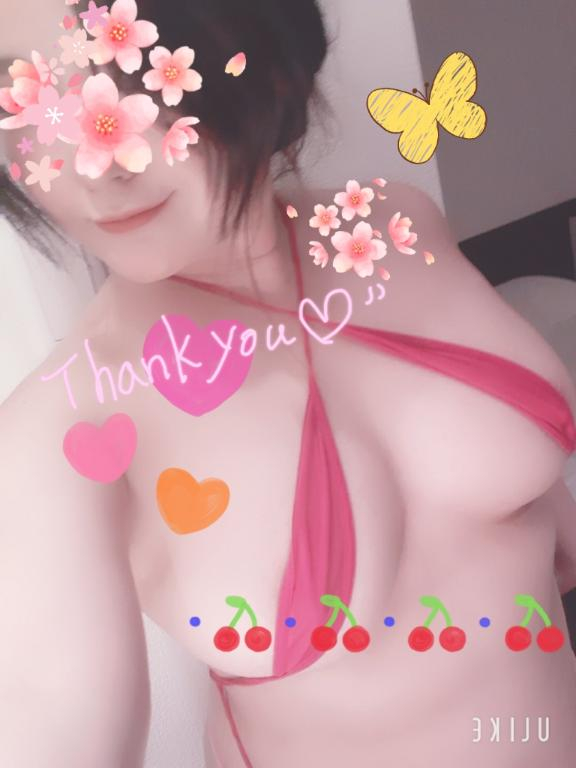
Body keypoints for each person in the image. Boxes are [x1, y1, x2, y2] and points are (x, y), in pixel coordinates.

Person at [1, 1, 576, 766]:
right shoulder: (62, 428)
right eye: (26, 99)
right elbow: (52, 718)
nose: (97, 166)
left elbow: (522, 512)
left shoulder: (396, 224)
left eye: (127, 74)